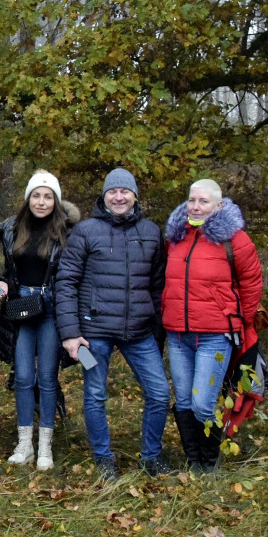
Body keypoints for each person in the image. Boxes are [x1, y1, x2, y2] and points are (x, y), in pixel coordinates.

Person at [55, 168, 171, 480]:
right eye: (112, 192)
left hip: (139, 332)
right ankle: (104, 459)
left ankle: (151, 457)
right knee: (95, 395)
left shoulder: (150, 232)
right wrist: (70, 333)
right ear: (104, 195)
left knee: (159, 393)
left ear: (135, 195)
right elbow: (66, 282)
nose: (118, 197)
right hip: (94, 335)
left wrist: (158, 329)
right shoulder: (86, 231)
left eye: (125, 191)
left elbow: (159, 286)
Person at [162, 179, 262, 473]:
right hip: (178, 335)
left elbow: (251, 284)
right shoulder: (176, 237)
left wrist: (240, 322)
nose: (195, 206)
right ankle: (193, 460)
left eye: (203, 201)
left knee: (201, 403)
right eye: (192, 200)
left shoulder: (235, 239)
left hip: (215, 336)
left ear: (219, 205)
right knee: (182, 400)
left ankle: (210, 462)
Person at [0, 170, 79, 471]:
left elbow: (71, 275)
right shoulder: (14, 230)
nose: (41, 202)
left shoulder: (68, 232)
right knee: (24, 377)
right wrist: (2, 283)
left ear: (56, 200)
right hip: (21, 308)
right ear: (28, 198)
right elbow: (10, 270)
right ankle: (25, 444)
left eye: (48, 196)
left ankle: (45, 447)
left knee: (47, 378)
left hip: (51, 309)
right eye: (36, 195)